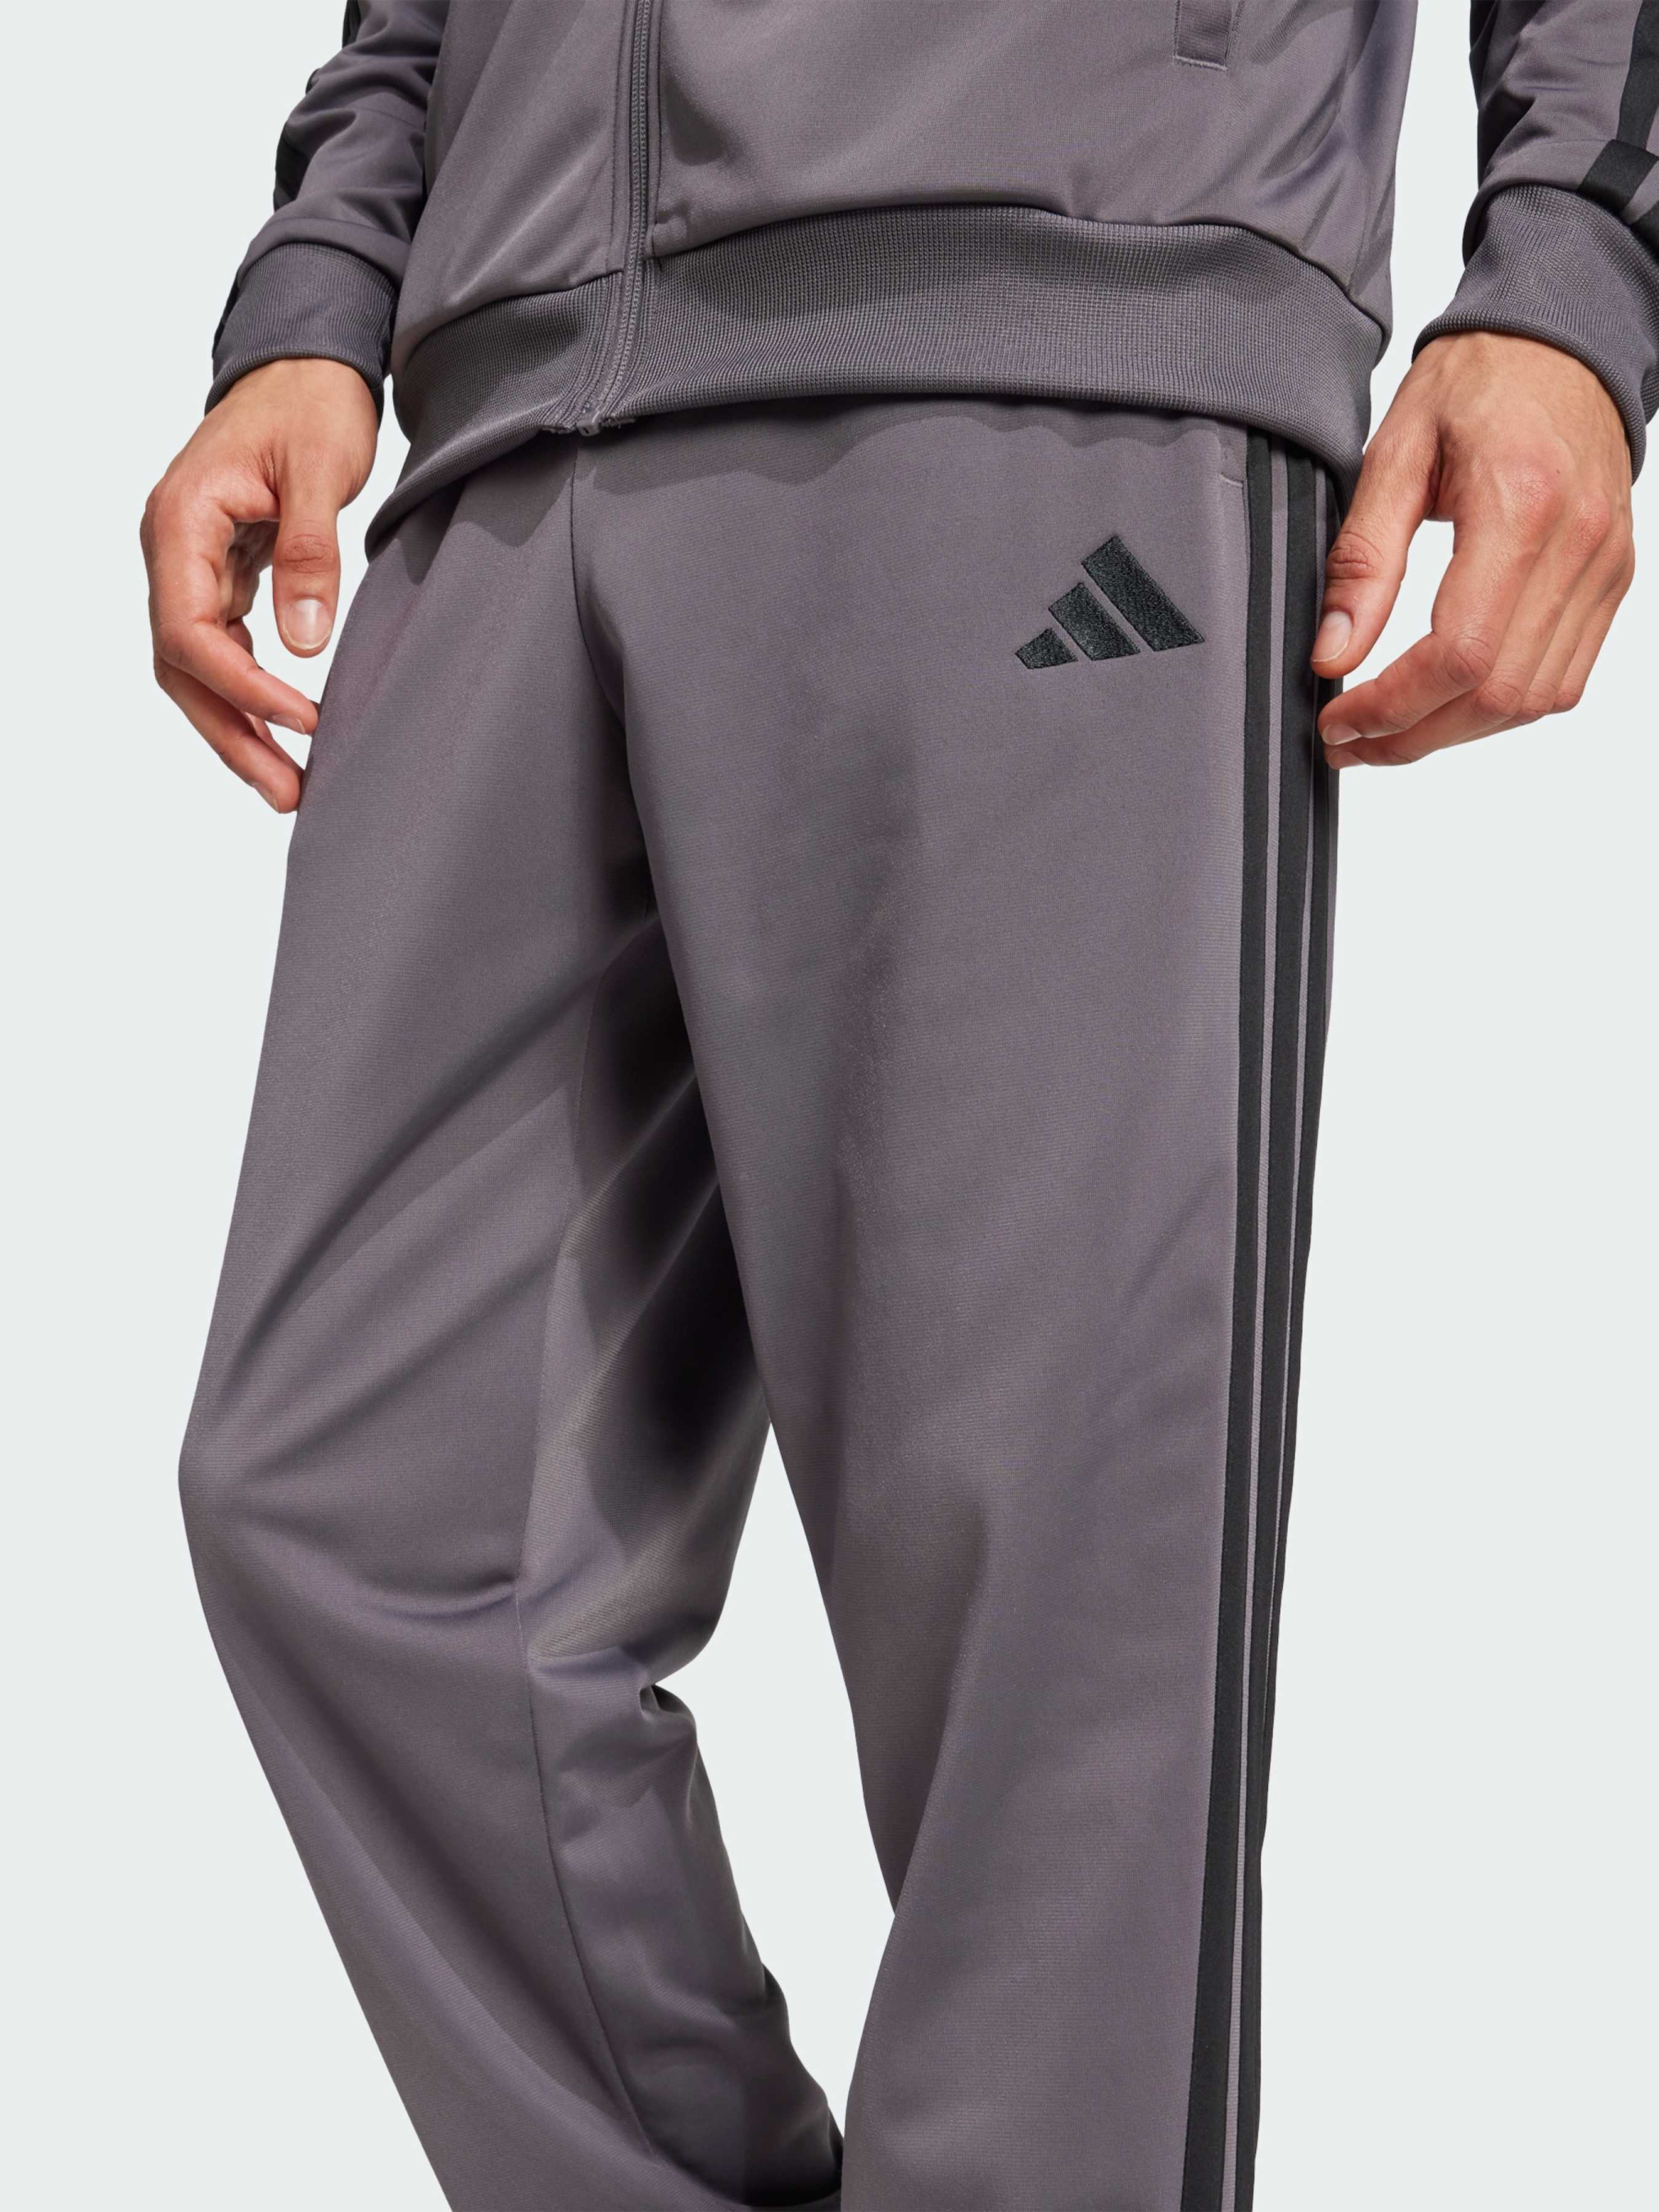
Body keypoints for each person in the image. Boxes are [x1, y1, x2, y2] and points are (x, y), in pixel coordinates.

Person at [141, 6, 1652, 2207]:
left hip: (1058, 330)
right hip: (513, 411)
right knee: (349, 1512)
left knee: (1052, 1623)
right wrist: (319, 288)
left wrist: (1573, 275)